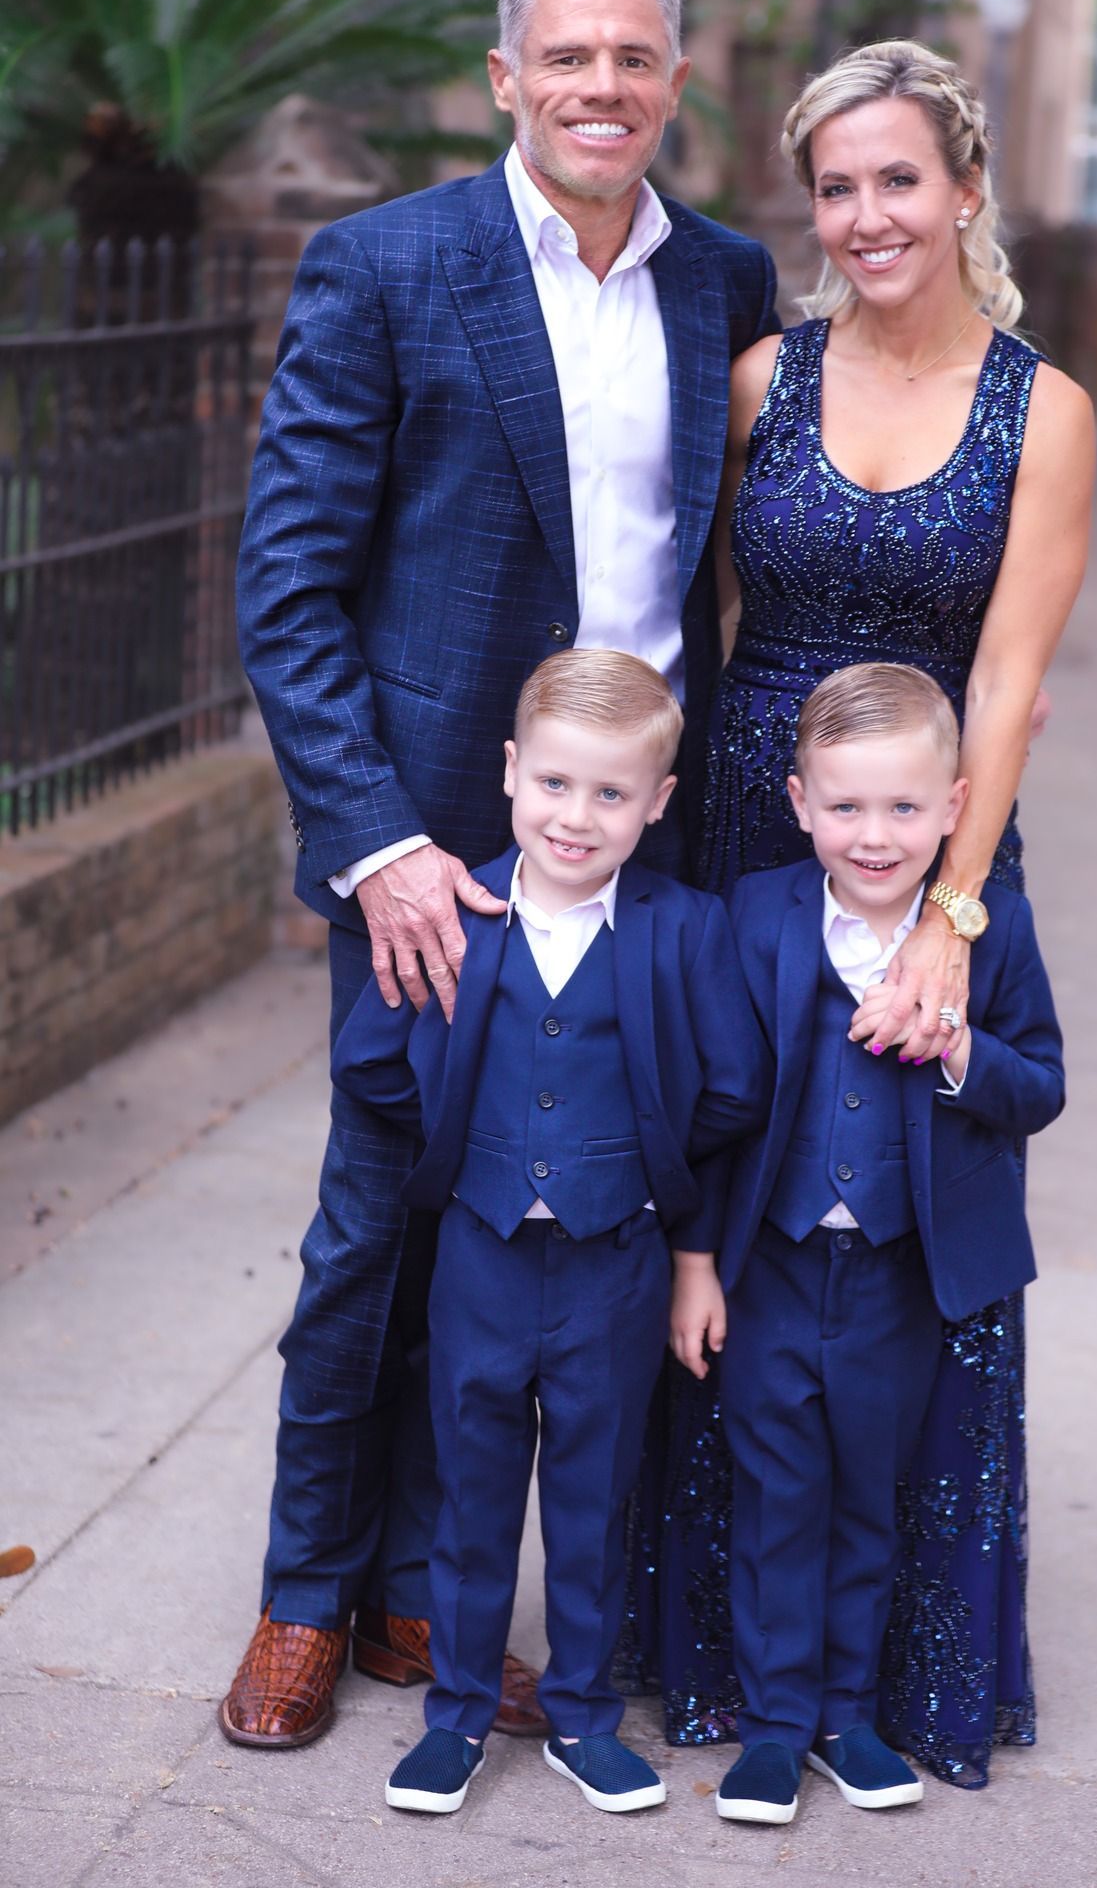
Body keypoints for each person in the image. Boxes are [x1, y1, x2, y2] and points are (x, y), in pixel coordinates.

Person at [226, 0, 779, 1748]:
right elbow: (291, 586)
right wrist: (375, 842)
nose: (599, 85)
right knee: (378, 1230)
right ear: (503, 76)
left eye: (633, 56)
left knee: (579, 1241)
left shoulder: (728, 282)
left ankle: (431, 1598)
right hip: (441, 856)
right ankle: (313, 1597)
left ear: (675, 84)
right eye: (566, 56)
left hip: (652, 865)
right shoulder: (389, 264)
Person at [638, 39, 1091, 1786]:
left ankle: (913, 1670)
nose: (868, 213)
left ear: (965, 189)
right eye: (836, 185)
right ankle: (719, 1660)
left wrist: (952, 911)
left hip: (936, 833)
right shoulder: (765, 374)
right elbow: (710, 603)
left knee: (911, 1220)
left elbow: (1011, 670)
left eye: (900, 177)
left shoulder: (1042, 410)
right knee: (739, 1207)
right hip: (757, 819)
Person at [331, 650, 771, 1816]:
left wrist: (651, 1182)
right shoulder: (459, 912)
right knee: (472, 1499)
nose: (579, 815)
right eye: (558, 784)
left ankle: (580, 1713)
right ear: (513, 771)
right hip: (479, 1257)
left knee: (594, 1495)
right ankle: (459, 1713)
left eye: (613, 792)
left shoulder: (687, 930)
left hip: (614, 1266)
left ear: (658, 801)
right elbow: (372, 1062)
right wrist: (462, 1140)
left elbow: (730, 1084)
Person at [691, 662, 1063, 1825]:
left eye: (905, 807)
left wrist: (957, 1049)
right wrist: (694, 1261)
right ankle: (772, 1724)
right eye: (846, 806)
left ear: (957, 805)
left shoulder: (986, 936)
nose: (874, 833)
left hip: (903, 1279)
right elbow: (707, 1109)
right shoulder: (750, 916)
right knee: (775, 1494)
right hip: (774, 1264)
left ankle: (848, 1713)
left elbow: (1040, 1083)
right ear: (798, 802)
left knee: (866, 1498)